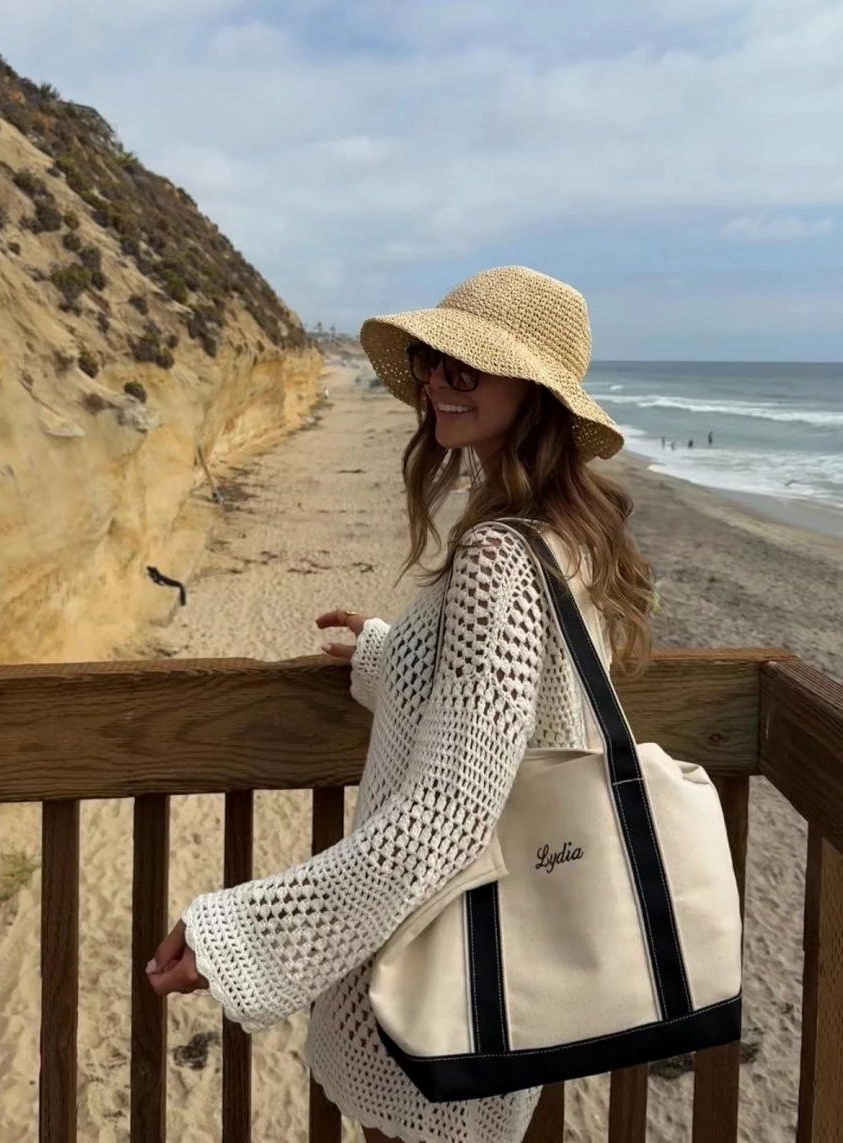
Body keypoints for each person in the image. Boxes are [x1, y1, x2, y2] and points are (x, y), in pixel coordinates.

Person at [146, 266, 656, 1143]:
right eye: (429, 359)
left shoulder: (499, 556)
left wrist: (243, 931)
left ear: (532, 390)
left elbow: (447, 814)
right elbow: (509, 703)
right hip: (504, 962)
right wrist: (394, 653)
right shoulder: (569, 536)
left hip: (439, 971)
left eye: (466, 366)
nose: (435, 382)